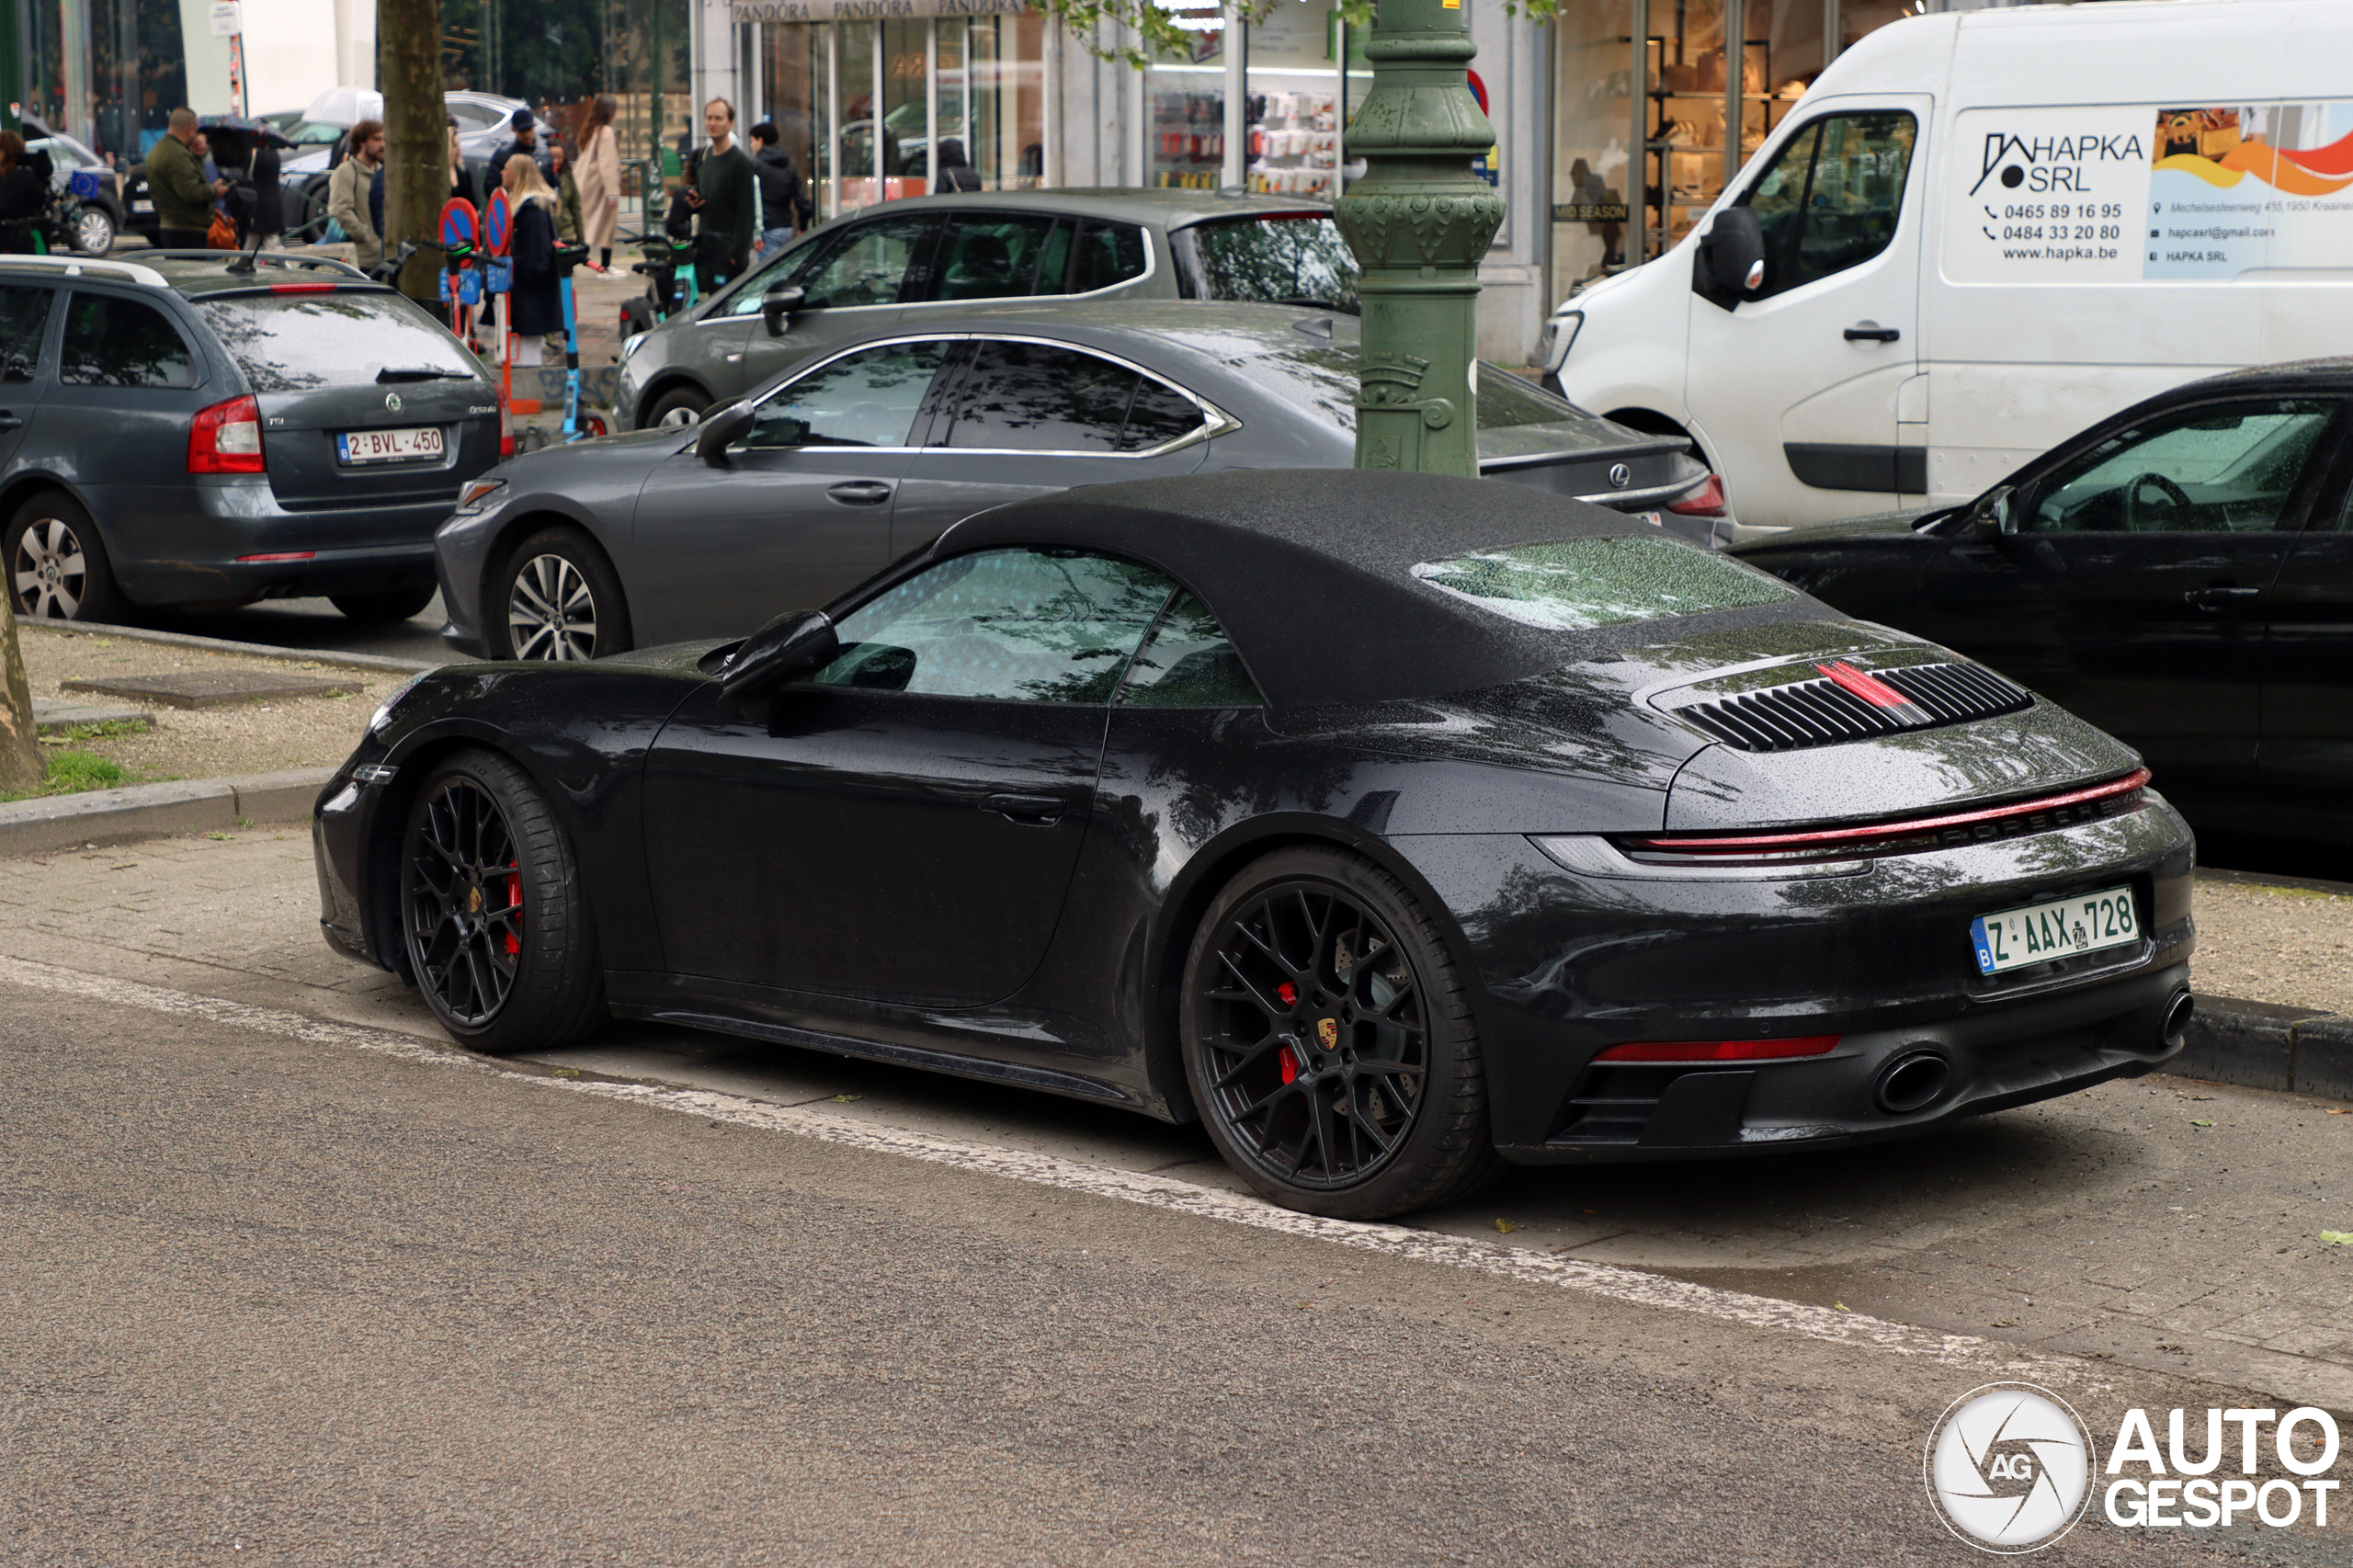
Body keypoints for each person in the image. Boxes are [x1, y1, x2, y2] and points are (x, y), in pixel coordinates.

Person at [687, 97, 755, 293]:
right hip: (706, 247)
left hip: (728, 253)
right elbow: (705, 192)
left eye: (719, 118)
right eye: (709, 118)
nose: (712, 123)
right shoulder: (705, 155)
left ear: (730, 123)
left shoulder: (740, 162)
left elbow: (747, 212)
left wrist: (736, 254)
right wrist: (696, 200)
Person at [503, 154, 563, 368]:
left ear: (518, 175)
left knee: (525, 355)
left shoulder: (533, 210)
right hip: (524, 289)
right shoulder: (528, 207)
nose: (502, 172)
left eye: (506, 169)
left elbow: (537, 257)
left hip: (530, 292)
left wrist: (522, 275)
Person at [143, 107, 225, 251]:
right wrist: (214, 191)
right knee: (191, 271)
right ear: (190, 128)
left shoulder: (158, 150)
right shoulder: (177, 155)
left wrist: (197, 155)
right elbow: (191, 192)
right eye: (196, 131)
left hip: (170, 227)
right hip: (187, 231)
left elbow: (183, 182)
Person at [326, 118, 384, 272]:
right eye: (377, 139)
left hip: (386, 257)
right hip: (362, 260)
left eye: (385, 140)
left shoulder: (383, 171)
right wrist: (366, 237)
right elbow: (340, 210)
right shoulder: (347, 171)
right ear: (361, 141)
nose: (383, 145)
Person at [746, 121, 807, 263]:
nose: (751, 145)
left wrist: (755, 233)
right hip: (787, 228)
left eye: (752, 140)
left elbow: (750, 201)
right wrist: (803, 225)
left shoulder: (755, 165)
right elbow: (802, 199)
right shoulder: (789, 164)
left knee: (769, 277)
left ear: (760, 141)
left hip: (767, 231)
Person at [574, 94, 620, 271]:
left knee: (586, 227)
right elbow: (607, 165)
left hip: (584, 184)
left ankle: (578, 262)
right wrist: (613, 193)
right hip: (599, 188)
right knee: (606, 227)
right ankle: (606, 266)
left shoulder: (590, 130)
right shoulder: (606, 132)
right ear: (610, 113)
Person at [0, 132, 46, 254]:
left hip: (14, 239)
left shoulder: (18, 176)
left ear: (7, 151)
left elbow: (5, 207)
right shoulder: (25, 173)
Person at [487, 108, 547, 188]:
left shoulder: (544, 155)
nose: (527, 134)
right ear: (513, 129)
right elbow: (491, 186)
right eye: (522, 131)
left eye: (529, 129)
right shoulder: (502, 156)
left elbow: (554, 183)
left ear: (534, 127)